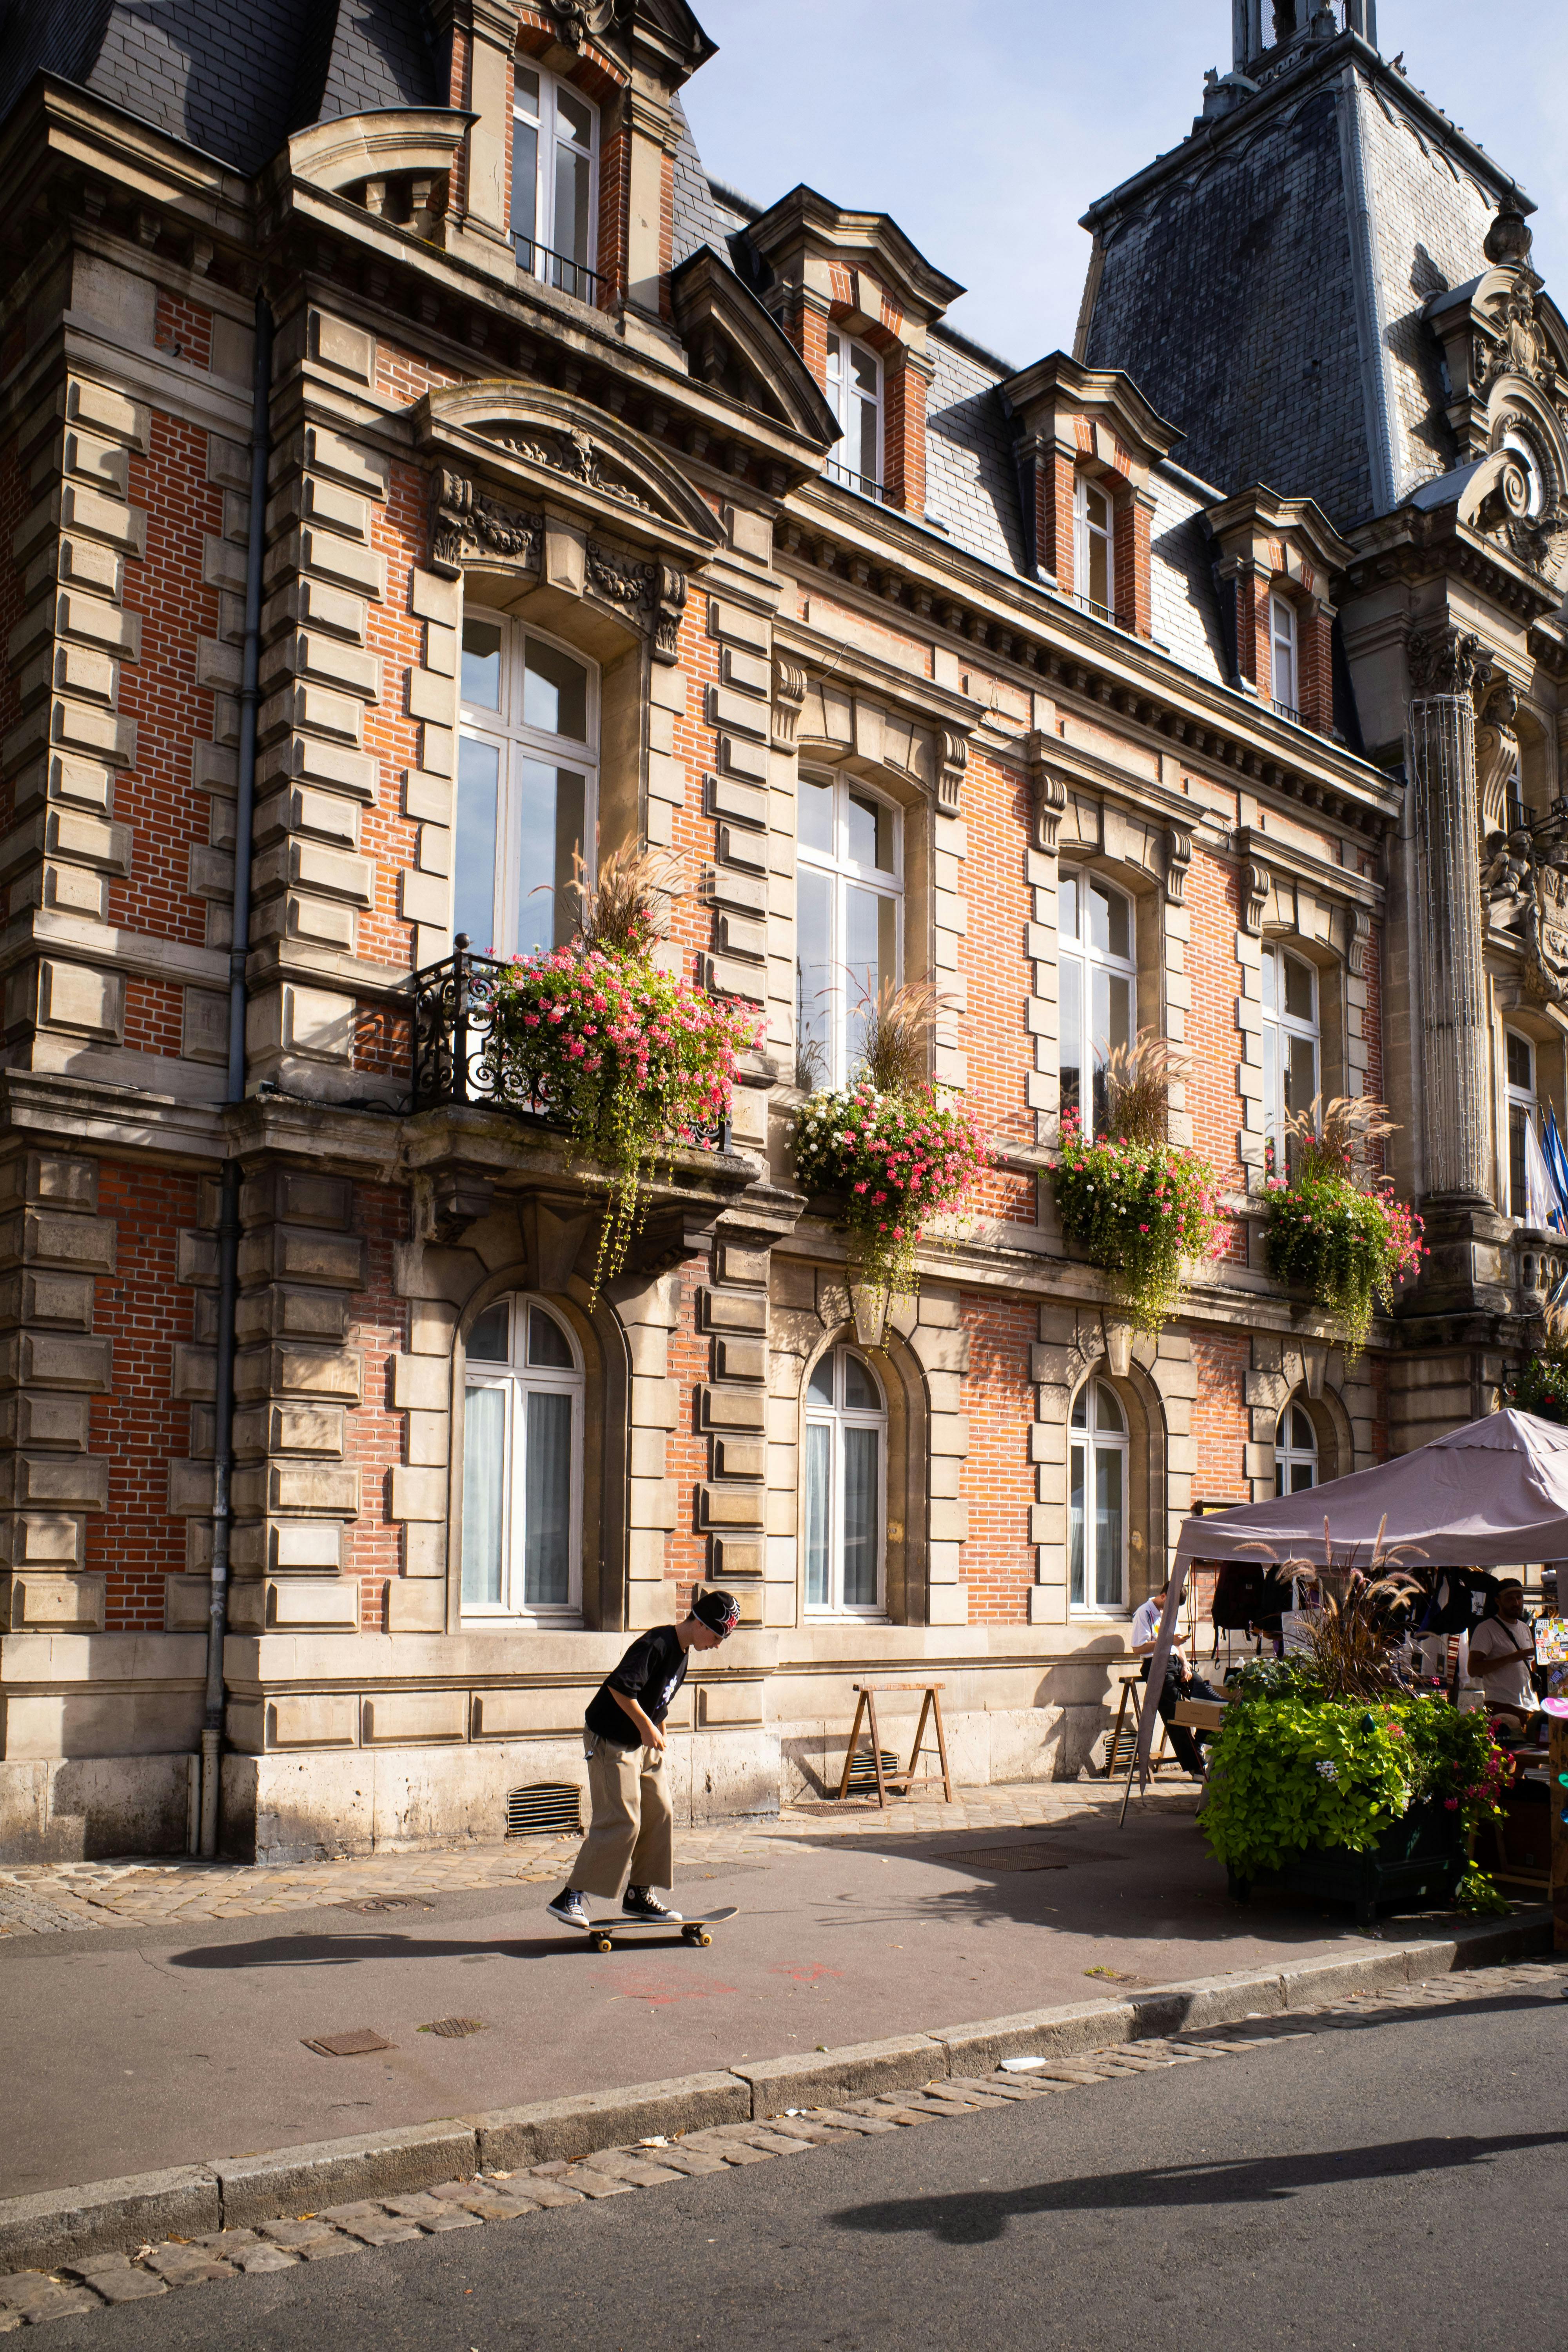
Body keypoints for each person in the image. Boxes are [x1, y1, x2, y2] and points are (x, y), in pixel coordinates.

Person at [547, 1589, 740, 1930]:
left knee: (660, 1811)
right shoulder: (657, 1644)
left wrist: (658, 1734)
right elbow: (620, 1689)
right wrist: (646, 1727)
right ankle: (570, 1896)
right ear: (699, 1623)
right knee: (623, 1820)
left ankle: (639, 1894)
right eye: (716, 1635)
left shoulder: (683, 1654)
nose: (717, 1645)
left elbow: (659, 1700)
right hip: (611, 1739)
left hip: (643, 1741)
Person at [1131, 1578, 1223, 1779]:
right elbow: (1138, 1648)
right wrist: (1165, 1640)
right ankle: (1195, 1765)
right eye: (1170, 1605)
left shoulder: (1170, 1612)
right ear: (1164, 1596)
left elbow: (1178, 1644)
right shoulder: (1144, 1613)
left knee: (1206, 1694)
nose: (1171, 1610)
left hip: (1175, 1662)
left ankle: (1198, 1742)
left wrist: (1185, 1664)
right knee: (1176, 1711)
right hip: (1156, 1665)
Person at [1465, 1579, 1542, 1734]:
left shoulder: (1525, 1628)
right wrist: (1510, 1658)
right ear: (1497, 1601)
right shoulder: (1486, 1629)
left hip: (1530, 1707)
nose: (1516, 1603)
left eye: (1519, 1597)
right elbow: (1473, 1669)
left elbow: (1527, 1668)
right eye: (1510, 1598)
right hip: (1502, 1706)